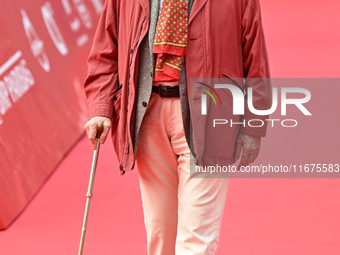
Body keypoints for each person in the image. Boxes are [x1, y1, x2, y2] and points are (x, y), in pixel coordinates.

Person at [83, 0, 271, 254]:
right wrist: (100, 109)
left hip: (210, 115)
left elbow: (255, 56)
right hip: (147, 115)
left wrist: (253, 125)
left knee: (196, 238)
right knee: (160, 232)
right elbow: (106, 49)